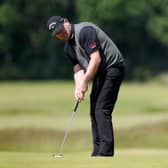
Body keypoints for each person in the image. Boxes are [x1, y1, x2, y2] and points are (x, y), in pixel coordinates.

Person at [47, 16, 125, 157]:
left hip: (113, 67)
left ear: (66, 22)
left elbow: (95, 59)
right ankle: (96, 152)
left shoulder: (85, 31)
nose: (60, 34)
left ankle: (105, 153)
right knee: (94, 110)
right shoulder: (68, 48)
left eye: (61, 30)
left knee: (101, 109)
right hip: (101, 72)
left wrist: (85, 82)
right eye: (57, 34)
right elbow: (78, 70)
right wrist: (78, 87)